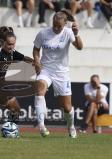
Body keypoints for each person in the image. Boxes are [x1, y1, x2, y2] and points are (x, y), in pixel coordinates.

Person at [33, 10, 83, 138]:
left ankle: (71, 127)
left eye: (59, 26)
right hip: (46, 69)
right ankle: (42, 126)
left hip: (62, 73)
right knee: (39, 91)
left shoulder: (68, 32)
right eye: (54, 24)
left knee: (66, 107)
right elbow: (36, 49)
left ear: (65, 23)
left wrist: (77, 35)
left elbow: (79, 47)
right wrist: (37, 62)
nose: (56, 27)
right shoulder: (43, 33)